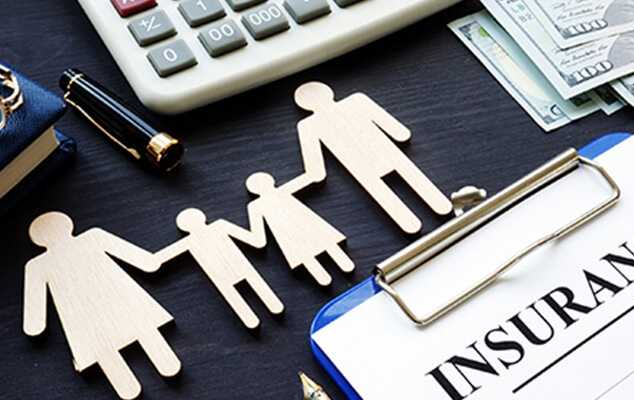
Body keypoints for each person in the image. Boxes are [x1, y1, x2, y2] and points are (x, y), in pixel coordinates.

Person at [23, 212, 179, 400]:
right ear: (68, 225)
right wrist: (152, 261)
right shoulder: (92, 237)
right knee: (144, 330)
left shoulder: (37, 265)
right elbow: (143, 261)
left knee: (105, 351)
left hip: (82, 321)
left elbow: (34, 317)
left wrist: (35, 326)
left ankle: (128, 387)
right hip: (121, 299)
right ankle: (166, 365)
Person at [295, 82, 452, 234]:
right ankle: (437, 207)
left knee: (386, 195)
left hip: (360, 164)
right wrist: (400, 133)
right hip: (384, 151)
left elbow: (316, 169)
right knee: (413, 179)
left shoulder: (308, 126)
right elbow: (399, 132)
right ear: (328, 92)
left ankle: (411, 222)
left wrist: (301, 182)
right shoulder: (356, 101)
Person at [155, 208, 284, 329]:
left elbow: (158, 259)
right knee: (250, 288)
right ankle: (267, 310)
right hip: (234, 266)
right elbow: (251, 238)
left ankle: (254, 318)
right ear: (202, 218)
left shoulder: (191, 240)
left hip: (223, 272)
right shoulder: (219, 226)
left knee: (235, 295)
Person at [245, 172, 354, 286]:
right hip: (297, 229)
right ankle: (337, 270)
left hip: (291, 232)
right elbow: (312, 176)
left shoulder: (256, 205)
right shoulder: (273, 196)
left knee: (315, 250)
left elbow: (259, 238)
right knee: (323, 245)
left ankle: (329, 275)